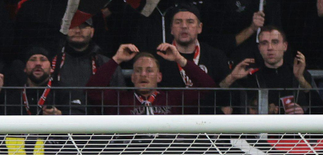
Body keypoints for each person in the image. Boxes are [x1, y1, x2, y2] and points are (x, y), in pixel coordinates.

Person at [87, 44, 215, 115]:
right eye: (138, 70)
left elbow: (208, 87)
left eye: (149, 70)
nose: (143, 74)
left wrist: (180, 59)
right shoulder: (119, 100)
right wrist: (116, 60)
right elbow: (92, 92)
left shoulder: (174, 98)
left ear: (159, 77)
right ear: (132, 77)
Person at [224, 26, 320, 115]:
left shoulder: (300, 74)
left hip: (295, 131)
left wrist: (304, 114)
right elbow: (216, 102)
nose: (270, 48)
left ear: (285, 46)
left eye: (275, 42)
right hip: (261, 132)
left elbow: (321, 110)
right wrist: (232, 77)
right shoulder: (251, 77)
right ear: (259, 48)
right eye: (264, 43)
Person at [156, 4, 230, 89]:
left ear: (200, 28)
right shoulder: (159, 57)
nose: (184, 26)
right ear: (171, 29)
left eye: (190, 22)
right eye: (178, 22)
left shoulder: (216, 57)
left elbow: (222, 92)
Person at [50, 18, 109, 114]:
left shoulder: (105, 64)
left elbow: (118, 100)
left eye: (83, 26)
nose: (77, 31)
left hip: (97, 125)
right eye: (73, 26)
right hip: (59, 124)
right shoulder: (52, 62)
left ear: (92, 31)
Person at [4, 46, 65, 115]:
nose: (38, 63)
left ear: (51, 68)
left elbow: (77, 113)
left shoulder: (62, 92)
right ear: (25, 68)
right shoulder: (15, 97)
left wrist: (61, 115)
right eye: (33, 60)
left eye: (43, 59)